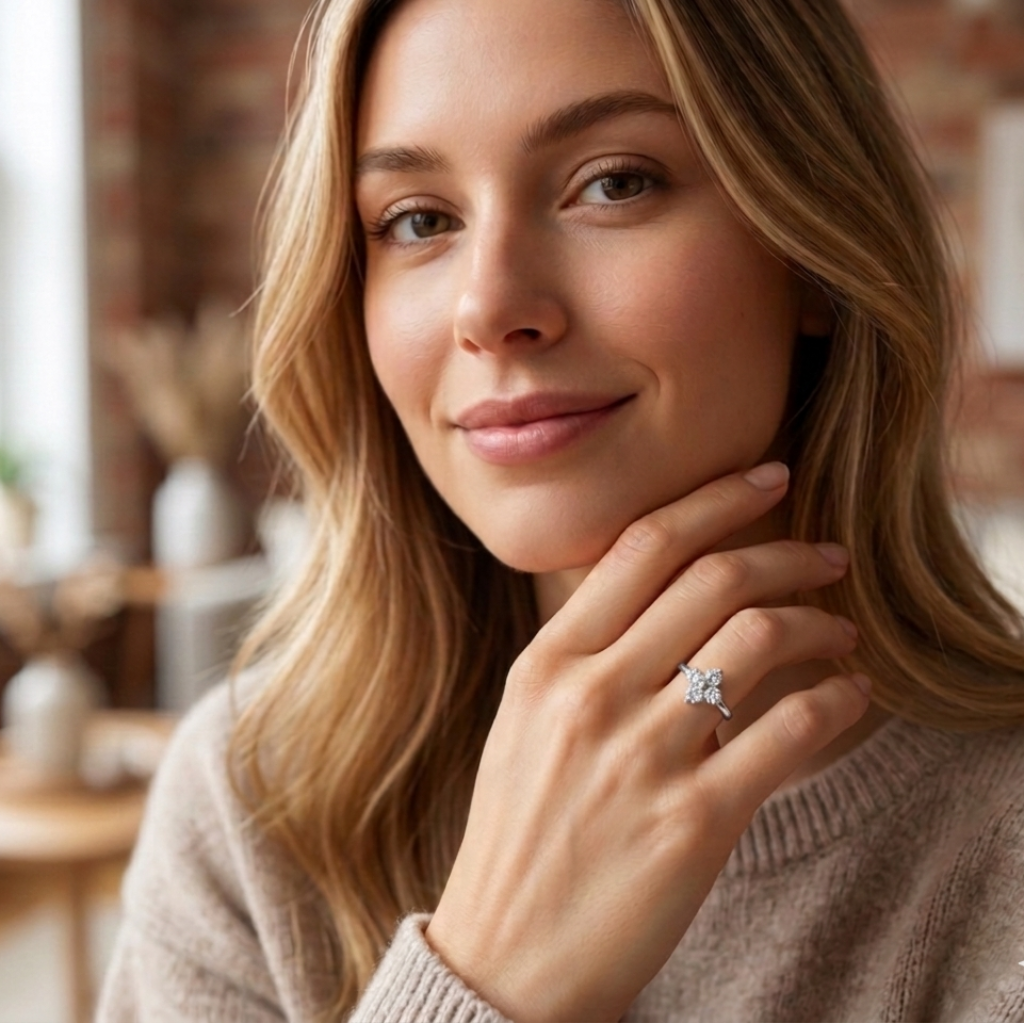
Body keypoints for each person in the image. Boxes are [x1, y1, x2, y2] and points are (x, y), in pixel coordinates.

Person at [97, 0, 1024, 1020]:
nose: (488, 309)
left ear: (808, 242)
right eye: (419, 220)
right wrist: (486, 979)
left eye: (613, 183)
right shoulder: (254, 805)